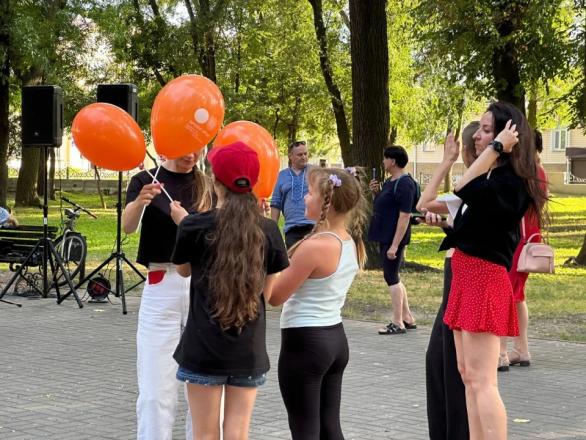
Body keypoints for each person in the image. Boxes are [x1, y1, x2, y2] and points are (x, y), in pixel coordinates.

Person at [427, 102, 547, 440]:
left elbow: (462, 185)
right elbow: (461, 197)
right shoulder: (495, 176)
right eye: (479, 130)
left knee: (482, 380)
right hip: (466, 276)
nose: (478, 136)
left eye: (486, 130)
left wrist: (496, 147)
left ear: (508, 137)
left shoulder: (511, 182)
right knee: (467, 374)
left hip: (483, 278)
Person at [170, 141, 289, 439]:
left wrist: (183, 224)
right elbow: (266, 295)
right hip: (247, 348)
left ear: (214, 180)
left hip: (203, 346)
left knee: (204, 434)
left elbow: (183, 271)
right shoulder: (268, 229)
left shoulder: (193, 226)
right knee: (238, 432)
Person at [269, 167, 367, 440]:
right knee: (329, 427)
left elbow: (275, 296)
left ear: (327, 202)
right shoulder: (348, 241)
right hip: (334, 339)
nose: (304, 198)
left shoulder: (315, 247)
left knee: (305, 429)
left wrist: (268, 252)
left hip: (305, 343)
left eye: (310, 193)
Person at [122, 152, 212, 440]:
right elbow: (127, 226)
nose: (191, 155)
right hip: (161, 283)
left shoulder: (206, 184)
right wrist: (140, 202)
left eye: (197, 148)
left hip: (200, 285)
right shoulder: (144, 179)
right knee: (155, 389)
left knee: (203, 389)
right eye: (185, 147)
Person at [418, 121, 479, 440]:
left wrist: (446, 161)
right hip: (457, 274)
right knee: (438, 362)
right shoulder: (474, 188)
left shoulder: (484, 186)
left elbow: (424, 203)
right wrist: (445, 224)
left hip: (468, 279)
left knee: (456, 369)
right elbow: (425, 205)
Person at [498, 130, 549, 371]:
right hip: (529, 238)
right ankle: (521, 349)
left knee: (504, 294)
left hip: (517, 240)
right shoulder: (539, 171)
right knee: (517, 296)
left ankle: (501, 353)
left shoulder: (523, 171)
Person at [368, 146, 417, 335]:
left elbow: (404, 216)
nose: (383, 162)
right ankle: (407, 317)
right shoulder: (390, 181)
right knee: (394, 276)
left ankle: (397, 322)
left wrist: (395, 245)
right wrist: (375, 193)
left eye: (385, 158)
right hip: (386, 235)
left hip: (393, 238)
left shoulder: (405, 184)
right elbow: (385, 206)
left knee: (391, 277)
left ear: (393, 161)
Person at [271, 140, 315, 248]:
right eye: (300, 154)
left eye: (305, 154)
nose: (304, 157)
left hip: (313, 227)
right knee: (293, 258)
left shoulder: (315, 172)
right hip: (291, 229)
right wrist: (273, 230)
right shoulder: (281, 176)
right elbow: (276, 203)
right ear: (290, 156)